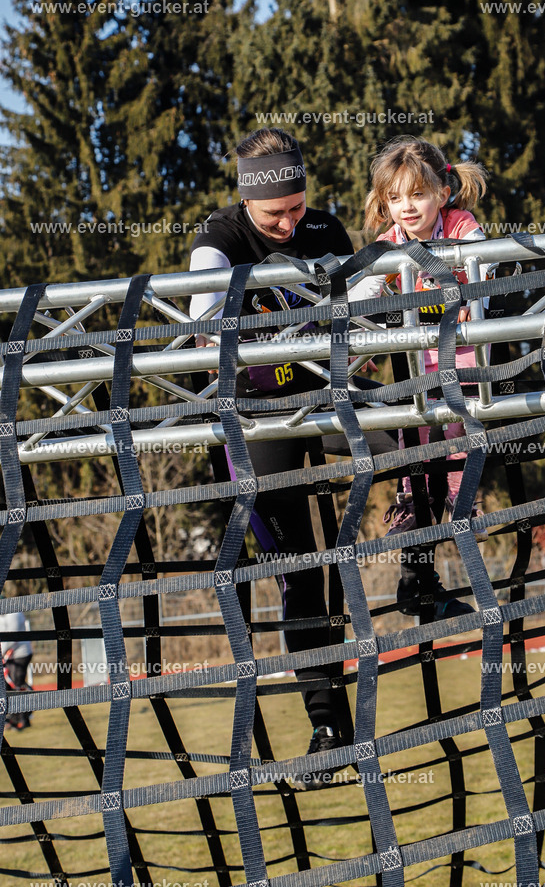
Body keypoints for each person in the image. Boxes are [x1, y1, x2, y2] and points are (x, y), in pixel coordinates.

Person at [189, 128, 356, 788]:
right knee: (294, 570)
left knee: (335, 557)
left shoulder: (325, 229)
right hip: (256, 419)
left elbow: (364, 315)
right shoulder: (220, 238)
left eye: (296, 207)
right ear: (246, 201)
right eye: (273, 215)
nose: (289, 223)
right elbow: (202, 323)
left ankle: (423, 586)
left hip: (329, 400)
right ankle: (311, 727)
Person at [360, 135, 491, 620]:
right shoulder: (389, 244)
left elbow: (480, 264)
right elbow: (363, 293)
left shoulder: (460, 227)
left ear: (441, 191)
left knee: (457, 432)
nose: (407, 208)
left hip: (459, 364)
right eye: (395, 199)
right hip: (415, 372)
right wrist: (358, 341)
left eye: (417, 195)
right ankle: (412, 512)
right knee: (416, 448)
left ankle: (463, 501)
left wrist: (457, 288)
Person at [0, 611, 33, 730]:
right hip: (9, 655)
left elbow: (11, 636)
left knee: (18, 684)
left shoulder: (14, 614)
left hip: (21, 654)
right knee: (7, 686)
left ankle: (24, 719)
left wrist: (1, 651)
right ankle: (14, 718)